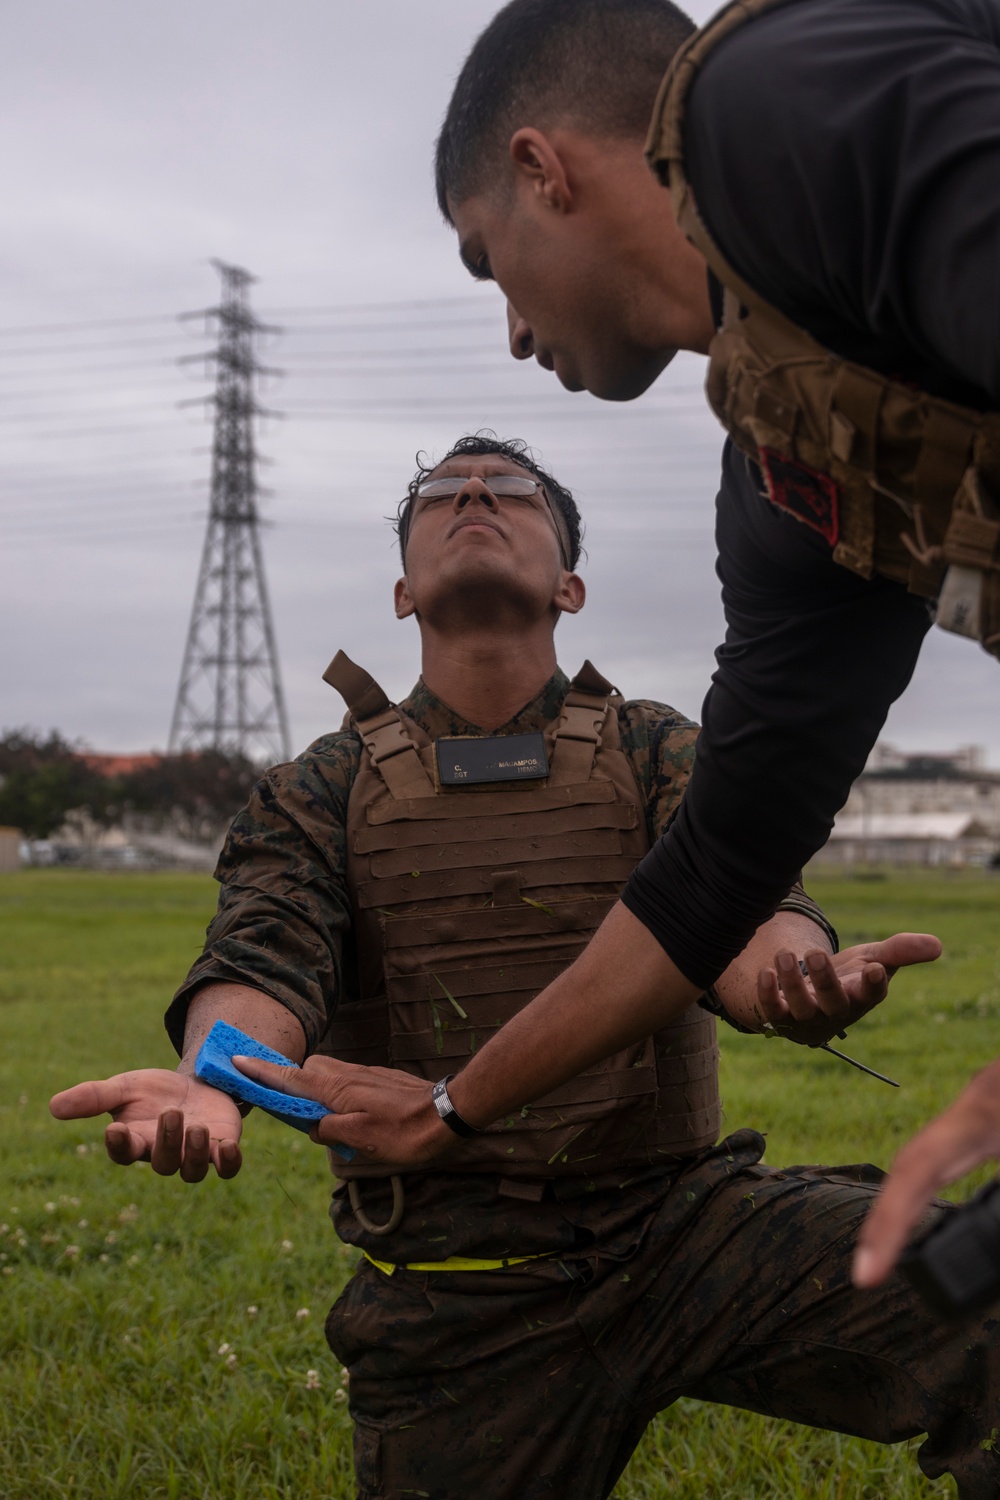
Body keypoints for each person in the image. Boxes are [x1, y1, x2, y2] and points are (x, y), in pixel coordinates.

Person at [51, 436, 999, 1498]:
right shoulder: (318, 788)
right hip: (460, 1287)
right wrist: (211, 1070)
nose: (471, 496)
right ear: (403, 591)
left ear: (570, 585)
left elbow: (743, 909)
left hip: (685, 1228)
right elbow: (265, 955)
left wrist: (795, 978)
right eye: (439, 496)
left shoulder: (656, 750)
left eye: (509, 492)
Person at [286, 0, 1000, 1288]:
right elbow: (714, 872)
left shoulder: (785, 104)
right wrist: (452, 1109)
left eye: (484, 260)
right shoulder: (790, 477)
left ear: (539, 168)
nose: (508, 330)